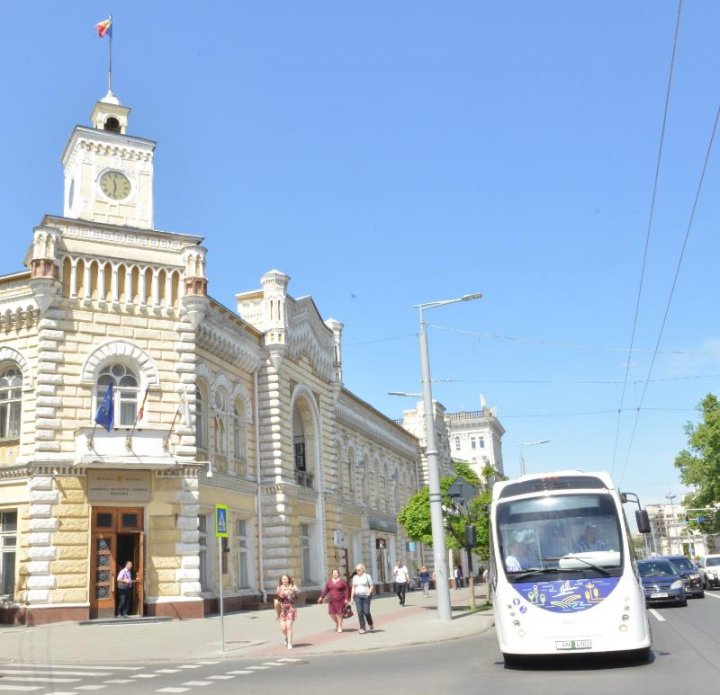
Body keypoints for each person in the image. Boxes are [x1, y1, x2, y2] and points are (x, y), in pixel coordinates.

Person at [317, 568, 349, 633]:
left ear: (338, 574)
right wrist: (321, 597)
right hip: (331, 601)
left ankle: (340, 627)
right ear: (332, 574)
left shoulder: (342, 581)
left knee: (339, 614)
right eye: (334, 573)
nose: (335, 574)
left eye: (336, 573)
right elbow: (326, 590)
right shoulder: (329, 582)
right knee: (331, 614)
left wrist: (346, 598)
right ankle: (338, 623)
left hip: (340, 600)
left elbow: (346, 590)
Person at [276, 574, 300, 649]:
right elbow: (282, 595)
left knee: (289, 626)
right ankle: (286, 636)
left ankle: (289, 643)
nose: (284, 580)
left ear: (288, 580)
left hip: (291, 609)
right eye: (283, 579)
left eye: (286, 579)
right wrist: (290, 589)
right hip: (282, 610)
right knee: (283, 628)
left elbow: (297, 596)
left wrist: (295, 590)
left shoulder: (293, 587)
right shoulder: (279, 588)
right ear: (281, 580)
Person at [350, 563, 374, 634]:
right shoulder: (355, 577)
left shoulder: (367, 576)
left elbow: (371, 586)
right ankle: (362, 628)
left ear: (363, 569)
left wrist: (368, 593)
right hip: (358, 596)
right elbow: (353, 587)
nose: (358, 571)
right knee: (360, 612)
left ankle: (370, 624)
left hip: (366, 596)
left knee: (366, 612)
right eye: (357, 570)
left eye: (359, 570)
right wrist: (351, 598)